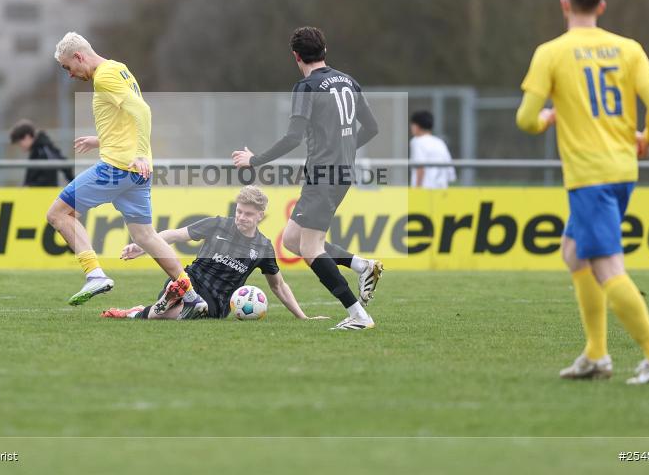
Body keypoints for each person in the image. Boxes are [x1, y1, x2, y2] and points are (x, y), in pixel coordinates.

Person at [516, 0, 649, 384]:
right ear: (601, 7)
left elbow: (526, 119)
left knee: (607, 267)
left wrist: (547, 118)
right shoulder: (629, 49)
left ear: (565, 4)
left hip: (589, 175)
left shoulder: (552, 52)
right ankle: (596, 354)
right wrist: (647, 138)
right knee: (573, 253)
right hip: (623, 169)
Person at [232, 26, 383, 331]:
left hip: (323, 175)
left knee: (311, 249)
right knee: (291, 240)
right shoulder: (348, 81)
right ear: (324, 51)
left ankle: (358, 315)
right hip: (340, 173)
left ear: (296, 56)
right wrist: (344, 149)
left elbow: (293, 137)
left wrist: (254, 161)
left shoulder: (307, 87)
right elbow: (372, 128)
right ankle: (361, 265)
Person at [48, 32, 208, 318]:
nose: (69, 74)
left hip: (117, 168)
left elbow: (142, 111)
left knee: (58, 214)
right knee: (146, 235)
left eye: (67, 67)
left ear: (78, 56)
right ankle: (192, 295)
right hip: (136, 172)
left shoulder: (104, 77)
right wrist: (100, 140)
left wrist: (142, 153)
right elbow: (125, 119)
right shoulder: (119, 67)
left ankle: (95, 274)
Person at [102, 186, 326, 321]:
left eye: (248, 214)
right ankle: (173, 297)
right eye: (239, 211)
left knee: (186, 310)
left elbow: (278, 285)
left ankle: (144, 311)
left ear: (260, 215)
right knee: (182, 298)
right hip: (190, 281)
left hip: (216, 301)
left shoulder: (263, 247)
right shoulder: (217, 224)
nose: (241, 217)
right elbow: (175, 235)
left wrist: (303, 316)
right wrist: (142, 247)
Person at [9, 119, 74, 186]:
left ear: (27, 137)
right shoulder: (38, 149)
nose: (20, 147)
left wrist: (73, 186)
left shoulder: (43, 149)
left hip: (45, 193)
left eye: (20, 143)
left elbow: (64, 165)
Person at [408, 110, 456, 189]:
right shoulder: (440, 143)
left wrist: (416, 191)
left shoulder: (417, 141)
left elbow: (420, 167)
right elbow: (450, 171)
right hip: (441, 190)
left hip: (424, 191)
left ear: (416, 126)